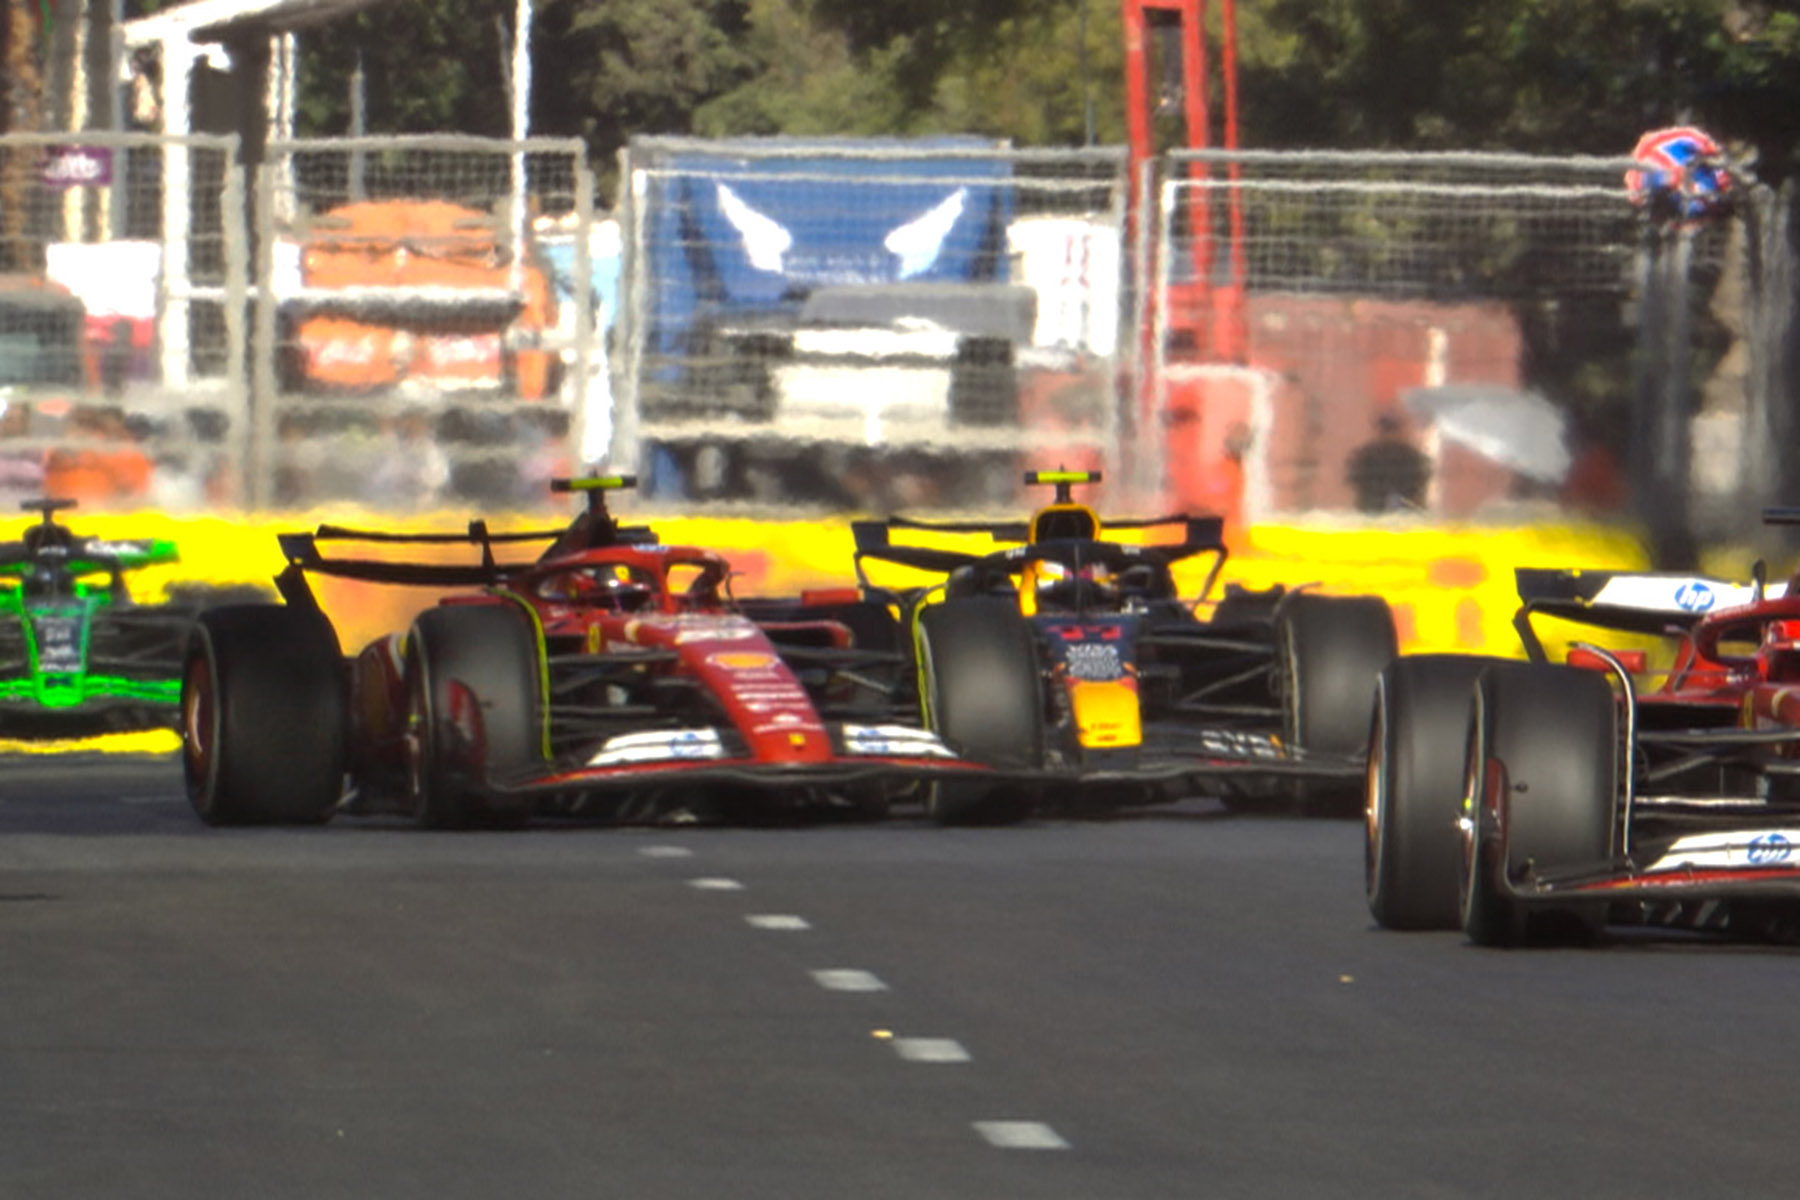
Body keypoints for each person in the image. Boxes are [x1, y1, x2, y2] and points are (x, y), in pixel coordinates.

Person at [1346, 411, 1431, 514]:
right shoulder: (1411, 455)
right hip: (1400, 510)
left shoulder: (1366, 454)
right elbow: (1421, 479)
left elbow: (1354, 478)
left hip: (1373, 508)